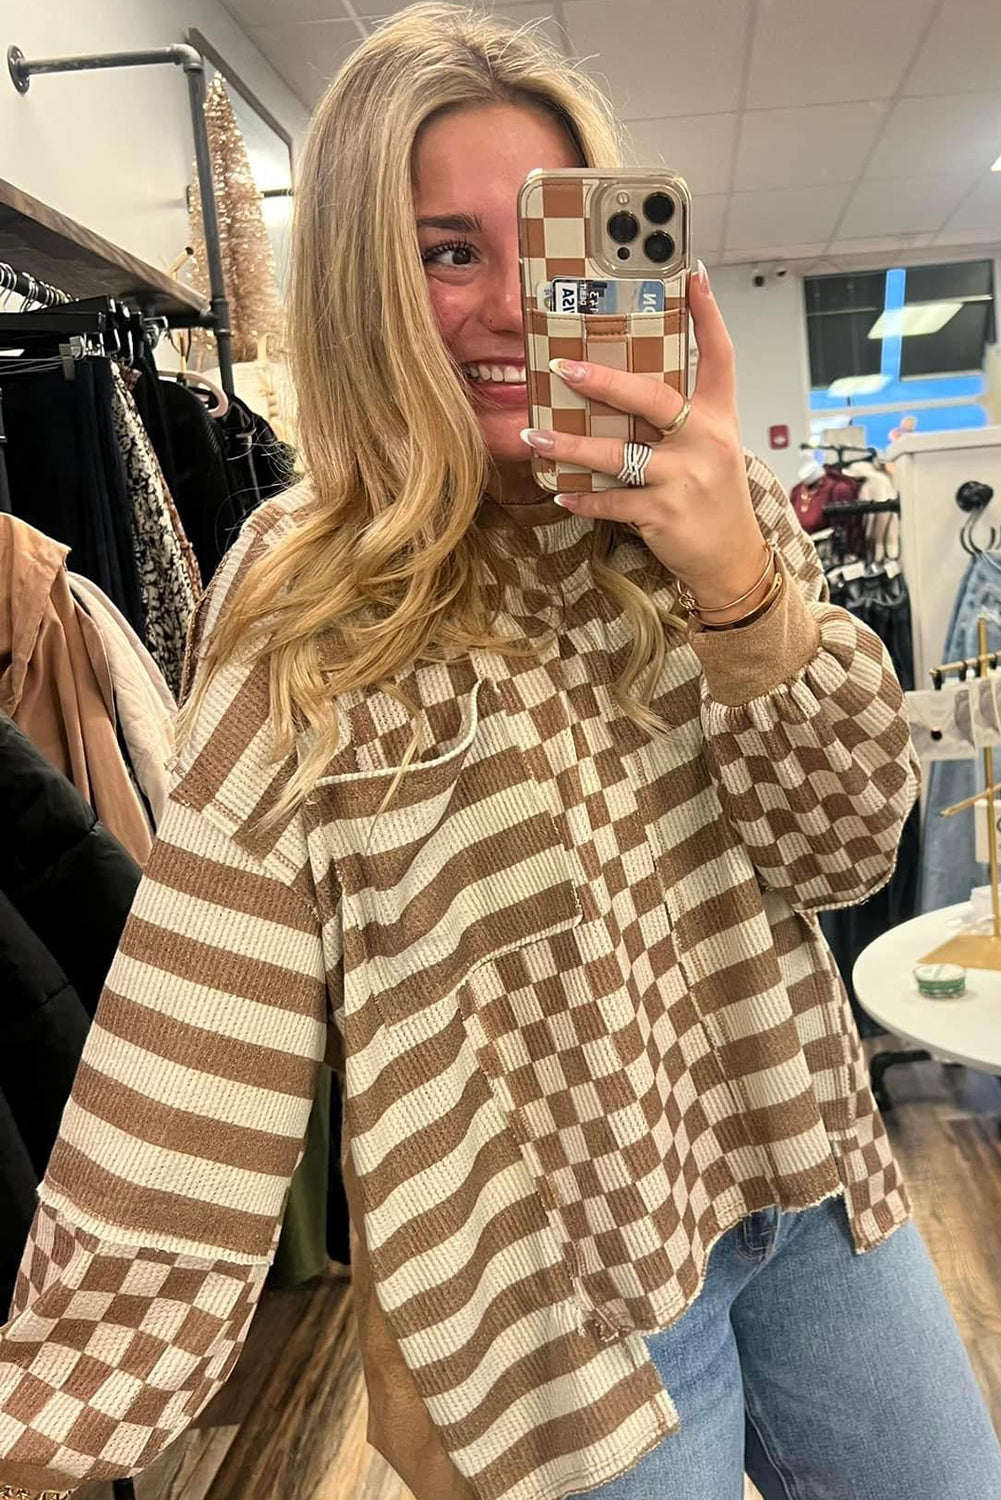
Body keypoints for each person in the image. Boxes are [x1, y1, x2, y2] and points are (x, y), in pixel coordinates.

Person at [3, 6, 1001, 1500]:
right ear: (361, 277)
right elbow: (206, 1000)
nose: (512, 305)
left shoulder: (701, 512)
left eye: (549, 245)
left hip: (802, 1167)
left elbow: (844, 848)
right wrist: (52, 1411)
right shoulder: (310, 595)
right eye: (447, 251)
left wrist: (738, 585)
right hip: (556, 1302)